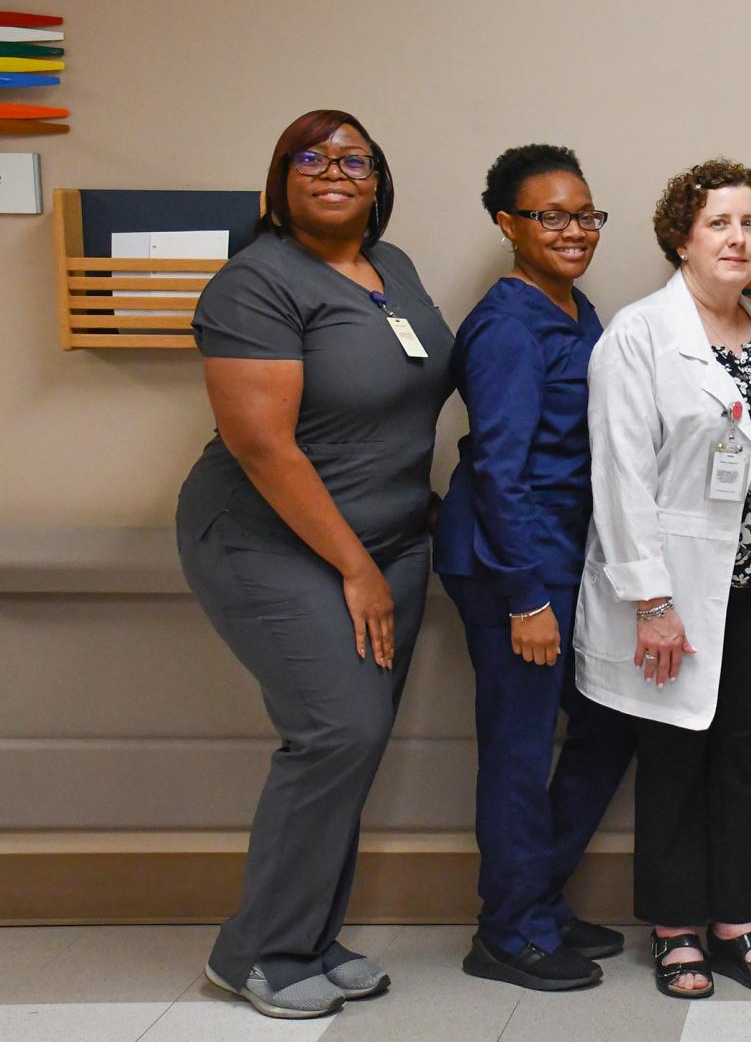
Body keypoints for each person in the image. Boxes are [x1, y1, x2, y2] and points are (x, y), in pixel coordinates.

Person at [176, 109, 453, 1019]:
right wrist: (354, 566)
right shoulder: (255, 283)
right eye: (312, 157)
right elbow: (265, 450)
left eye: (354, 159)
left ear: (377, 181)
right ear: (279, 179)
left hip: (391, 540)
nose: (334, 170)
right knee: (335, 731)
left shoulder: (391, 267)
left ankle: (306, 937)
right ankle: (254, 951)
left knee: (357, 741)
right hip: (270, 542)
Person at [573, 159, 751, 1000]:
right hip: (679, 592)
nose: (737, 238)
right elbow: (619, 478)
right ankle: (674, 927)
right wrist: (651, 602)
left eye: (750, 224)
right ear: (681, 237)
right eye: (718, 222)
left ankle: (734, 922)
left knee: (739, 755)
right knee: (674, 755)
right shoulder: (638, 334)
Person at [433, 144, 637, 992]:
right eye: (550, 214)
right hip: (511, 561)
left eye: (585, 213)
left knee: (606, 725)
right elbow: (499, 469)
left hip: (569, 551)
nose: (573, 229)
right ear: (506, 223)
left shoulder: (574, 306)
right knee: (519, 748)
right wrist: (524, 598)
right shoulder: (506, 324)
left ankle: (539, 900)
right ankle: (506, 929)